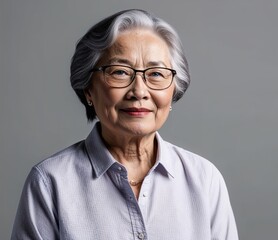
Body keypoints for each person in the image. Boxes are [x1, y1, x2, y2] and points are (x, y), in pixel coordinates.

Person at [11, 9, 238, 240]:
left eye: (156, 74)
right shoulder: (50, 182)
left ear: (174, 90)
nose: (139, 91)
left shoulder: (204, 180)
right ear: (88, 89)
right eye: (119, 72)